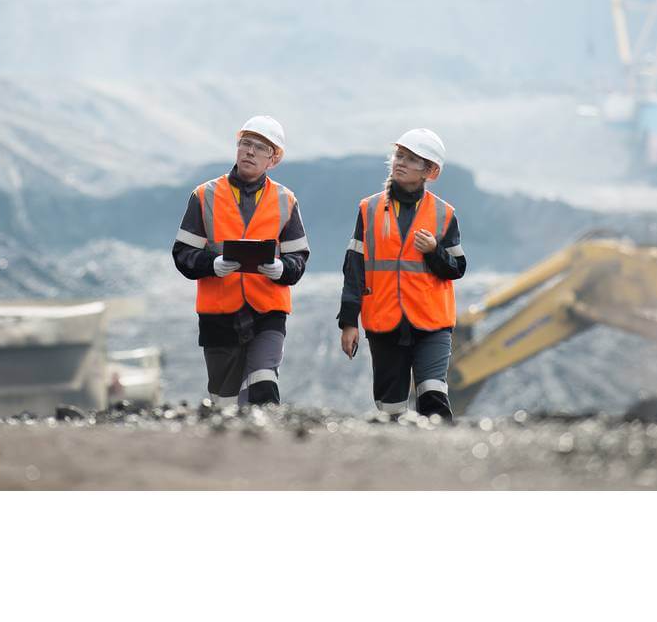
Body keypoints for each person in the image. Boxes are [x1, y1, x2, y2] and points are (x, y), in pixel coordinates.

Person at [172, 116, 310, 406]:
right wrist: (211, 264)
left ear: (273, 160)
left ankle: (269, 449)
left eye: (260, 148)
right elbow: (183, 254)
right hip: (218, 315)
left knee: (263, 385)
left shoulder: (286, 200)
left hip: (267, 312)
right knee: (225, 403)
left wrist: (282, 269)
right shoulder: (204, 195)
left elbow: (298, 257)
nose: (249, 151)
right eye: (245, 143)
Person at [337, 128, 465, 420]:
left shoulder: (444, 214)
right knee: (391, 409)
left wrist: (434, 250)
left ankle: (440, 460)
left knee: (433, 396)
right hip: (384, 322)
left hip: (432, 322)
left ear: (430, 171)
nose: (400, 162)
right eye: (399, 155)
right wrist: (348, 322)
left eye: (411, 159)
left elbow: (457, 268)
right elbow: (354, 268)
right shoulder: (368, 209)